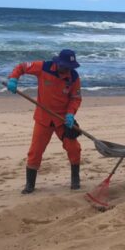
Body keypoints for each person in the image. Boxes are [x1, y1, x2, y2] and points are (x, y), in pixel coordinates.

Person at [6, 49, 83, 194]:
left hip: (63, 120)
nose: (67, 69)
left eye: (69, 67)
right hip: (43, 118)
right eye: (65, 66)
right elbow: (22, 67)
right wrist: (13, 78)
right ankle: (30, 184)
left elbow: (75, 98)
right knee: (35, 152)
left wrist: (70, 114)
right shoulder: (44, 67)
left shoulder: (73, 77)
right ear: (58, 62)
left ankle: (75, 179)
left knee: (74, 148)